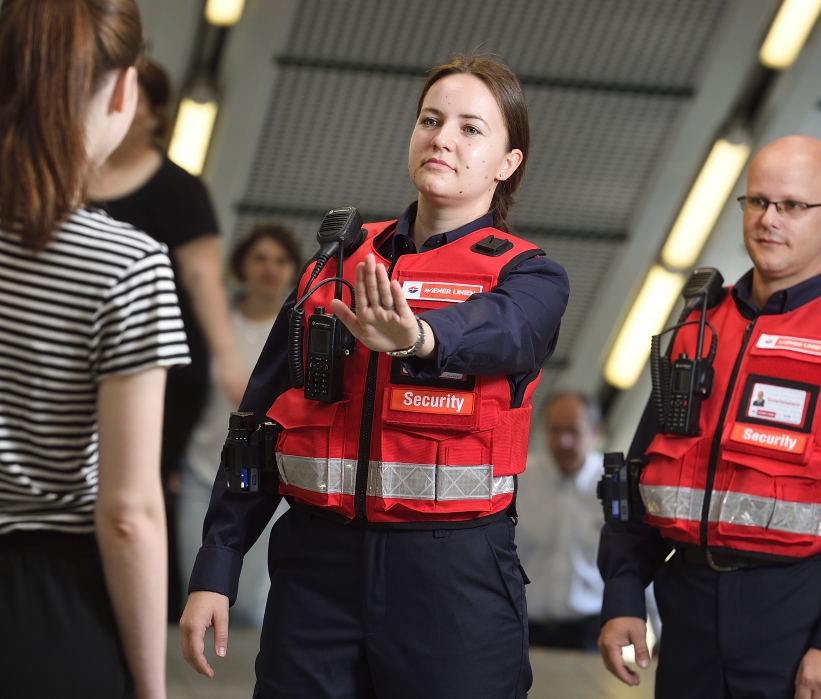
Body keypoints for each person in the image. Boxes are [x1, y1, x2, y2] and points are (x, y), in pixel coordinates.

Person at [179, 53, 569, 698]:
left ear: (508, 164)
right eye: (430, 119)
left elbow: (508, 330)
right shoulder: (333, 264)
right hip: (314, 573)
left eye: (471, 128)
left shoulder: (528, 277)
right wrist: (217, 564)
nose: (442, 137)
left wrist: (421, 337)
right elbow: (259, 421)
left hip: (454, 577)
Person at [0, 1, 187, 698]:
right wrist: (151, 688)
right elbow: (128, 513)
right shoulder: (129, 265)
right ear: (124, 92)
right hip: (43, 611)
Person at [597, 135, 821, 699]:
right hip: (687, 612)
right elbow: (644, 471)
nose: (769, 219)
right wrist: (623, 592)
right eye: (757, 202)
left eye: (792, 205)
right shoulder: (695, 328)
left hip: (794, 621)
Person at [89, 58, 245, 618]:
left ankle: (139, 606)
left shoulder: (180, 189)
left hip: (163, 367)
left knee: (140, 481)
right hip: (82, 358)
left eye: (133, 99)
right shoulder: (68, 175)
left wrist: (227, 359)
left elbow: (204, 278)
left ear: (155, 114)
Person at [179, 223, 301, 628]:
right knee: (196, 588)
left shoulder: (295, 334)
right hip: (198, 472)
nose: (270, 268)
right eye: (260, 258)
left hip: (261, 479)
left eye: (280, 261)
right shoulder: (213, 327)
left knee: (249, 604)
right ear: (242, 264)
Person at [515, 392, 606, 650]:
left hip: (590, 631)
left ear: (596, 432)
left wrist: (659, 629)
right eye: (555, 430)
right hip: (523, 628)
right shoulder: (517, 480)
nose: (563, 441)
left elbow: (638, 562)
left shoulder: (613, 485)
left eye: (573, 431)